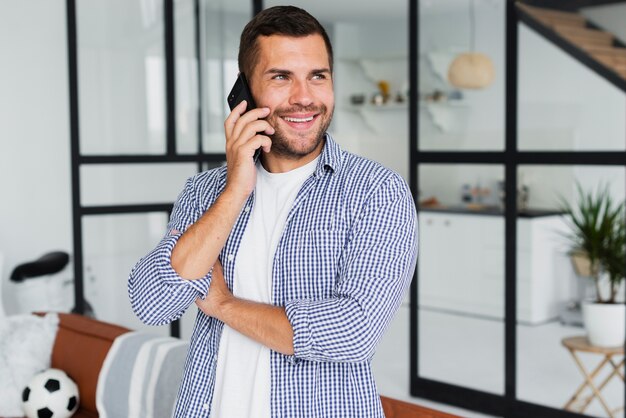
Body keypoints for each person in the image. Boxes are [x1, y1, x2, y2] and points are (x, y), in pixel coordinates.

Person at [128, 5, 417, 417]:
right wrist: (235, 190)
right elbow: (153, 303)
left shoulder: (376, 192)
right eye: (281, 77)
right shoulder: (204, 191)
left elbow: (352, 332)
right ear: (244, 94)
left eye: (318, 76)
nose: (304, 97)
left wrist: (224, 305)